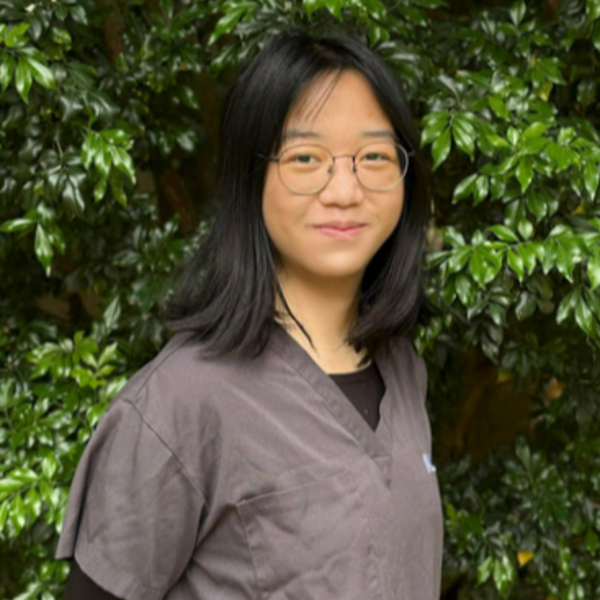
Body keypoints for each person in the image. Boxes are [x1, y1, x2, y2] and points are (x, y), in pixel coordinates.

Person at [58, 29, 443, 600]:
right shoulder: (181, 404)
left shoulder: (403, 369)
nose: (345, 190)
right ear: (250, 175)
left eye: (374, 157)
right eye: (306, 158)